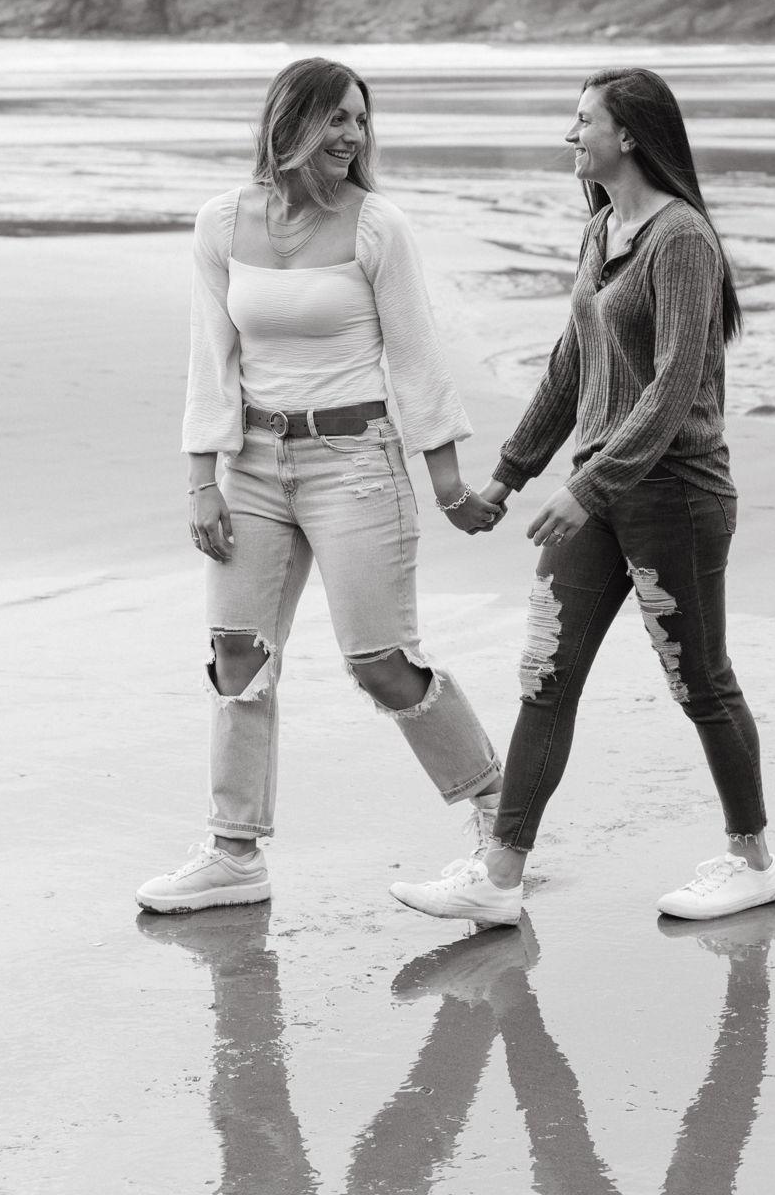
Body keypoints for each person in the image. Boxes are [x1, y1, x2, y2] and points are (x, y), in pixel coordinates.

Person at [392, 67, 775, 924]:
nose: (571, 136)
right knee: (546, 674)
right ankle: (499, 875)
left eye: (583, 121)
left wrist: (589, 483)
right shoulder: (602, 228)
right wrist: (509, 474)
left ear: (628, 134)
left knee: (700, 680)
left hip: (674, 494)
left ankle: (753, 860)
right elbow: (570, 367)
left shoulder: (682, 239)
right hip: (598, 496)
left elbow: (674, 386)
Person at [138, 56, 504, 914]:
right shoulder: (221, 223)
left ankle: (499, 815)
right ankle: (234, 855)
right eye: (336, 118)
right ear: (290, 121)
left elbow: (417, 358)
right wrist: (201, 480)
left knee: (381, 663)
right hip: (252, 466)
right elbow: (210, 357)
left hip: (356, 463)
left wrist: (450, 487)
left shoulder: (378, 226)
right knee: (238, 654)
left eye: (360, 119)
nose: (353, 135)